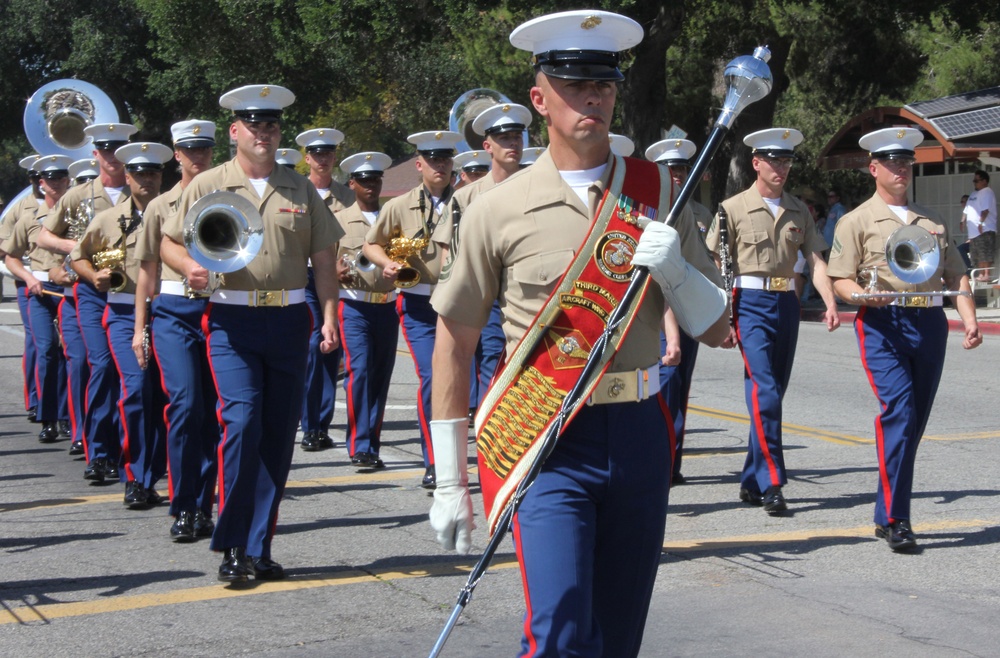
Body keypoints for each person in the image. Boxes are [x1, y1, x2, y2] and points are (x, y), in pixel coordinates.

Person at [426, 10, 729, 656]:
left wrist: (676, 270)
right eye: (573, 84)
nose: (593, 96)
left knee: (618, 638)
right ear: (539, 98)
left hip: (643, 429)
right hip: (548, 436)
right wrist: (451, 478)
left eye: (605, 84)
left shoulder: (660, 190)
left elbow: (719, 326)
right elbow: (453, 340)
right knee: (561, 635)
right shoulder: (495, 207)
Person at [161, 84, 343, 582]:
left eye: (272, 125)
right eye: (254, 126)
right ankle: (233, 545)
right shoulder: (207, 184)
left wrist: (329, 315)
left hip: (289, 319)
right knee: (241, 425)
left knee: (278, 436)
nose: (264, 133)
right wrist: (189, 269)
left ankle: (259, 546)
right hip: (231, 320)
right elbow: (169, 244)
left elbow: (324, 259)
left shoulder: (300, 187)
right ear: (234, 132)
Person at [827, 126, 982, 551]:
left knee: (914, 422)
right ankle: (898, 518)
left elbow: (955, 274)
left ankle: (885, 511)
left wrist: (968, 317)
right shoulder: (855, 220)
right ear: (873, 168)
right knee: (899, 413)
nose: (901, 168)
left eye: (906, 161)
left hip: (930, 322)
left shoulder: (930, 221)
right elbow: (839, 278)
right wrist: (861, 297)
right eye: (892, 162)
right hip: (883, 324)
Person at [705, 128, 840, 515]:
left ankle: (751, 478)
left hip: (786, 302)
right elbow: (716, 265)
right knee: (764, 390)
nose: (781, 167)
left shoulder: (799, 210)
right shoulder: (730, 208)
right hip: (748, 302)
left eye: (786, 160)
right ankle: (772, 481)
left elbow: (815, 262)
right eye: (773, 160)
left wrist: (829, 301)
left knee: (772, 393)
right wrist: (723, 316)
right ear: (756, 163)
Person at [71, 142, 174, 509]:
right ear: (127, 177)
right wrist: (93, 275)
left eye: (154, 173)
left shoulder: (177, 214)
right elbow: (77, 257)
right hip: (123, 313)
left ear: (162, 176)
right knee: (136, 388)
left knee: (169, 395)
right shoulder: (107, 219)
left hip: (169, 311)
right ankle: (136, 476)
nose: (147, 179)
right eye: (140, 173)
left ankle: (167, 472)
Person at [134, 120, 219, 539]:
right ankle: (183, 505)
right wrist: (139, 328)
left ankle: (204, 505)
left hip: (219, 310)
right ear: (177, 153)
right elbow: (146, 271)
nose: (197, 156)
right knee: (185, 405)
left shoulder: (227, 198)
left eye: (204, 148)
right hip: (172, 311)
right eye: (190, 149)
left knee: (213, 414)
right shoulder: (160, 206)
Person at [40, 122, 138, 483]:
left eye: (118, 150)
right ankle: (99, 451)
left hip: (131, 291)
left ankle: (134, 450)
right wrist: (79, 251)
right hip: (92, 291)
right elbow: (45, 235)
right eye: (106, 150)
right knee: (100, 365)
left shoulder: (139, 190)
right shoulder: (78, 195)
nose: (113, 157)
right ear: (95, 154)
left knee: (135, 374)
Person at [363, 129, 461, 489]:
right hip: (419, 303)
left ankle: (459, 457)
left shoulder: (466, 200)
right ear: (419, 164)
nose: (440, 166)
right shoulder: (399, 205)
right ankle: (435, 461)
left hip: (459, 302)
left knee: (462, 383)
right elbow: (371, 245)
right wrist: (386, 263)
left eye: (446, 159)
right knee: (433, 379)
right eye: (433, 160)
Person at [442, 102, 531, 416]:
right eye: (504, 138)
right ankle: (489, 432)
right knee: (491, 361)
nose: (513, 143)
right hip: (485, 294)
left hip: (528, 291)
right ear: (487, 145)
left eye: (517, 136)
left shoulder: (538, 188)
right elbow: (447, 254)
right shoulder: (467, 196)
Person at [646, 137, 709, 484]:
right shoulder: (650, 209)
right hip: (655, 308)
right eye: (671, 170)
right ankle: (657, 458)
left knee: (680, 385)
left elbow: (710, 262)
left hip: (689, 307)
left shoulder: (699, 213)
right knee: (663, 383)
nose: (678, 176)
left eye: (683, 169)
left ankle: (672, 462)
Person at [2, 155, 73, 444]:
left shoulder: (78, 213)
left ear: (68, 180)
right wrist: (30, 279)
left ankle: (69, 416)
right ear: (41, 183)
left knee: (72, 355)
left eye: (60, 178)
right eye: (50, 179)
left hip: (69, 292)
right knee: (45, 351)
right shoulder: (29, 216)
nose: (55, 184)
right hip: (40, 293)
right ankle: (48, 417)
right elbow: (11, 257)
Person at [333, 151, 396, 468]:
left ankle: (372, 442)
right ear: (352, 183)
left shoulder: (391, 218)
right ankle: (359, 444)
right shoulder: (340, 220)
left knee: (381, 376)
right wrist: (335, 271)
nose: (372, 185)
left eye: (376, 179)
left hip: (387, 306)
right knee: (360, 372)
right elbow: (325, 263)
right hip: (354, 305)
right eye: (365, 180)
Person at [294, 127, 354, 452]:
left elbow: (358, 238)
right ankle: (310, 423)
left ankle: (321, 424)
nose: (323, 158)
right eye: (317, 154)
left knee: (332, 349)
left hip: (337, 278)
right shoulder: (297, 192)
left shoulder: (348, 196)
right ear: (307, 158)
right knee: (315, 342)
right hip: (304, 278)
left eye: (328, 153)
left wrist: (348, 264)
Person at [1, 155, 42, 424]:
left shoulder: (72, 201)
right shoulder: (20, 209)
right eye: (40, 177)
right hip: (27, 280)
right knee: (37, 343)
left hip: (62, 282)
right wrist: (26, 275)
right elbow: (5, 251)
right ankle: (36, 400)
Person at [965, 170, 996, 280]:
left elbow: (985, 210)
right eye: (974, 181)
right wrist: (962, 221)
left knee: (985, 252)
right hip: (974, 233)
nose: (975, 183)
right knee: (976, 255)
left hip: (985, 229)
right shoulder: (973, 194)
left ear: (984, 181)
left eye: (977, 181)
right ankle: (980, 273)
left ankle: (986, 274)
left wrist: (981, 223)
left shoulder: (987, 192)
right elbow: (967, 209)